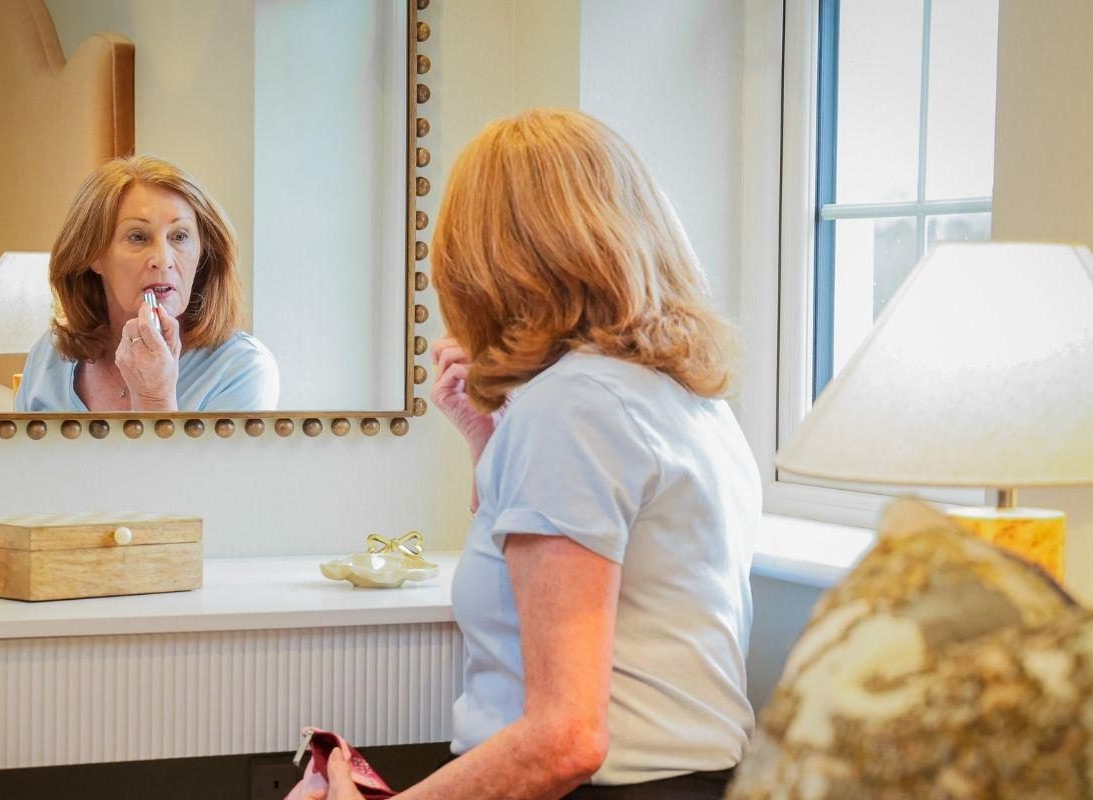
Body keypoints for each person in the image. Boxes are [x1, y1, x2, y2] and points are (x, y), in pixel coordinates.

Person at [317, 109, 760, 800]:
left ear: (488, 261)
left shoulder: (574, 406)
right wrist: (487, 441)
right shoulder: (685, 401)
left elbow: (565, 740)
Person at [15, 155, 279, 412]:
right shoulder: (48, 357)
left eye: (179, 236)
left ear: (202, 251)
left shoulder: (242, 369)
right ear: (92, 254)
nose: (163, 260)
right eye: (138, 237)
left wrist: (154, 397)